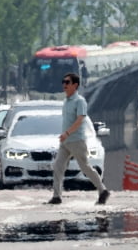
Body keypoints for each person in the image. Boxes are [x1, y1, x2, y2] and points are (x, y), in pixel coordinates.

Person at [46, 72, 110, 205]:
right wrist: (65, 135)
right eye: (63, 82)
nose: (64, 85)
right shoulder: (66, 102)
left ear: (75, 85)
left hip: (76, 140)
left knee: (85, 167)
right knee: (58, 166)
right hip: (66, 141)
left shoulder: (79, 101)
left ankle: (102, 190)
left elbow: (80, 120)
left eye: (67, 82)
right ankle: (57, 196)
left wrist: (67, 133)